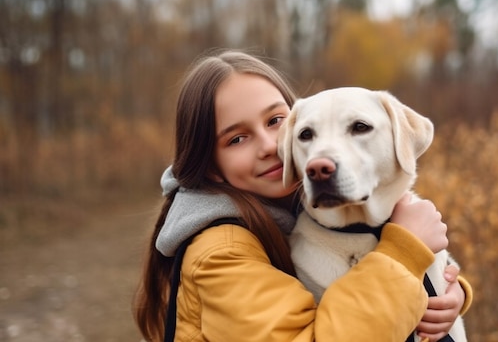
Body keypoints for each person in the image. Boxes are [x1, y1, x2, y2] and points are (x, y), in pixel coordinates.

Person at [132, 50, 472, 342]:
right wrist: (405, 252)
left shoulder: (291, 211)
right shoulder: (222, 252)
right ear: (210, 167)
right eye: (237, 139)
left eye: (276, 120)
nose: (270, 146)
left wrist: (446, 296)